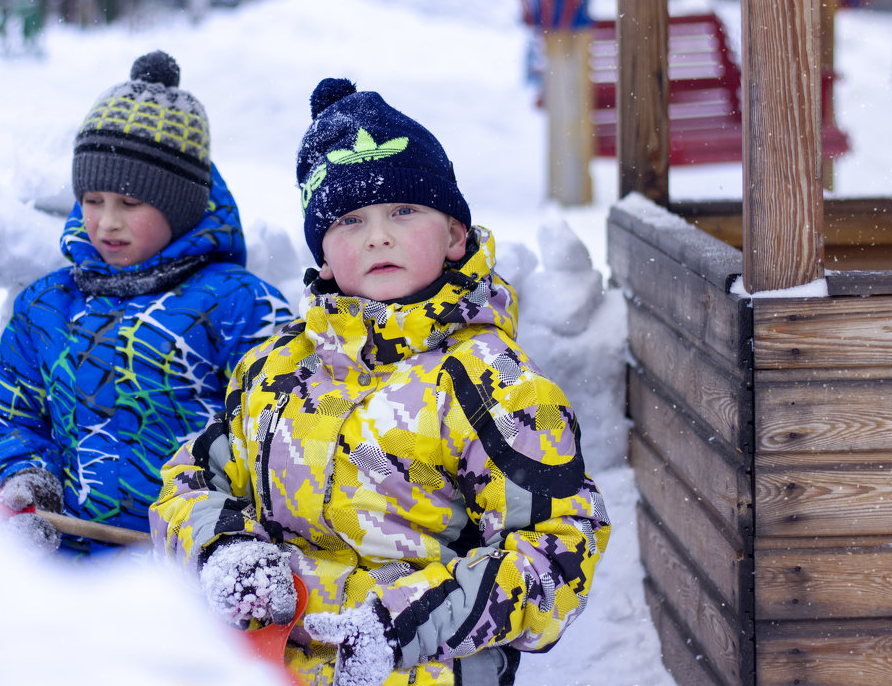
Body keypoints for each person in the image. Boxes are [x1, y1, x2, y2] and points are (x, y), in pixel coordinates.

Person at [150, 77, 611, 685]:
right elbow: (188, 480)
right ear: (321, 255)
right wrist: (223, 547)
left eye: (403, 210)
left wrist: (407, 622)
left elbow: (562, 546)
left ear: (453, 234)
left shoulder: (490, 386)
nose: (377, 235)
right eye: (348, 220)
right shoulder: (275, 371)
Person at [0, 51, 293, 557]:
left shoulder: (241, 307)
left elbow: (283, 436)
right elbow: (7, 415)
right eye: (92, 201)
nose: (106, 222)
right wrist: (29, 481)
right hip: (68, 563)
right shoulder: (48, 306)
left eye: (130, 204)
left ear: (180, 207)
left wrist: (227, 530)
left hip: (198, 566)